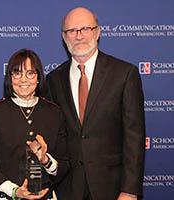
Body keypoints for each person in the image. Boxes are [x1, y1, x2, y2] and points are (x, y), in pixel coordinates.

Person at [46, 7, 146, 200]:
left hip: (113, 187)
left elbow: (134, 137)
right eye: (71, 31)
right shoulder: (53, 79)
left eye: (85, 29)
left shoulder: (124, 74)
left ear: (98, 32)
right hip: (67, 188)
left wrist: (130, 190)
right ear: (64, 37)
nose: (79, 36)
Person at [0, 49, 69, 200]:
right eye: (17, 73)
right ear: (10, 78)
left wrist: (46, 160)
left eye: (30, 73)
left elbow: (64, 165)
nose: (23, 80)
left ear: (38, 77)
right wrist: (14, 191)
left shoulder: (54, 113)